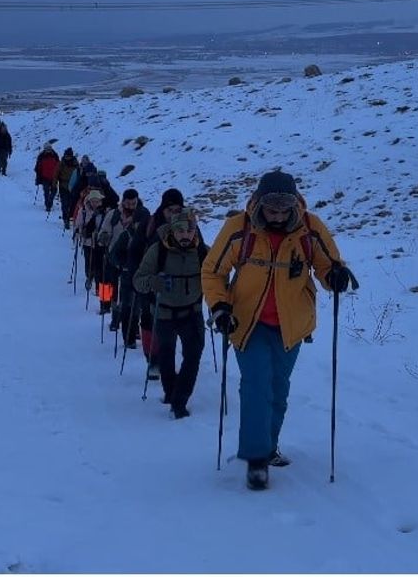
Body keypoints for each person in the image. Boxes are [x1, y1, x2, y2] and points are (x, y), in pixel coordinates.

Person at [201, 169, 354, 491]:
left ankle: (268, 447)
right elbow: (213, 272)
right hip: (245, 322)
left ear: (295, 205)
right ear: (258, 203)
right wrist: (220, 307)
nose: (278, 215)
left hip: (291, 325)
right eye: (272, 209)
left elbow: (328, 265)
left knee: (278, 389)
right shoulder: (238, 228)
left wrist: (336, 277)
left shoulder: (309, 228)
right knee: (257, 384)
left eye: (285, 210)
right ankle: (256, 460)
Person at [134, 207, 209, 419]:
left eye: (190, 230)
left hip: (192, 313)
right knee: (166, 356)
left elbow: (217, 276)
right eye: (180, 231)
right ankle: (170, 392)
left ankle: (180, 401)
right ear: (172, 231)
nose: (185, 235)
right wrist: (153, 282)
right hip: (164, 313)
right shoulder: (158, 251)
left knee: (193, 356)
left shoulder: (203, 252)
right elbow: (138, 280)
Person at [98, 189, 146, 335]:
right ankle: (110, 311)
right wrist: (104, 237)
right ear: (123, 201)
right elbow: (103, 231)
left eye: (134, 203)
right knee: (108, 285)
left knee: (132, 295)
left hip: (134, 260)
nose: (131, 206)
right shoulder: (113, 215)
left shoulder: (142, 215)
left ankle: (133, 323)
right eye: (128, 203)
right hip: (113, 256)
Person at [72, 189, 109, 295]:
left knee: (100, 268)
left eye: (97, 201)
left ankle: (100, 291)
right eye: (93, 201)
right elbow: (78, 224)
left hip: (100, 244)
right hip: (88, 242)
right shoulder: (83, 211)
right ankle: (90, 277)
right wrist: (78, 232)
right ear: (89, 201)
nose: (95, 203)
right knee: (89, 263)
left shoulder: (104, 212)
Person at [56, 148, 80, 230]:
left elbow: (79, 174)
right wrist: (54, 184)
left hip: (73, 187)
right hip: (63, 186)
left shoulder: (76, 164)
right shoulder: (61, 163)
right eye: (66, 156)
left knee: (71, 204)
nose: (67, 157)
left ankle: (70, 217)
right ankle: (65, 219)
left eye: (69, 156)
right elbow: (56, 173)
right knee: (64, 204)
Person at [34, 143, 60, 214]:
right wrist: (38, 177)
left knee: (54, 191)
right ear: (44, 149)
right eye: (47, 148)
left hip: (54, 177)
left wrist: (59, 175)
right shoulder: (41, 156)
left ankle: (50, 200)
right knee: (46, 191)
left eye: (49, 148)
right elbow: (37, 167)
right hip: (44, 177)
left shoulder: (55, 155)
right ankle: (48, 205)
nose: (48, 150)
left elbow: (59, 165)